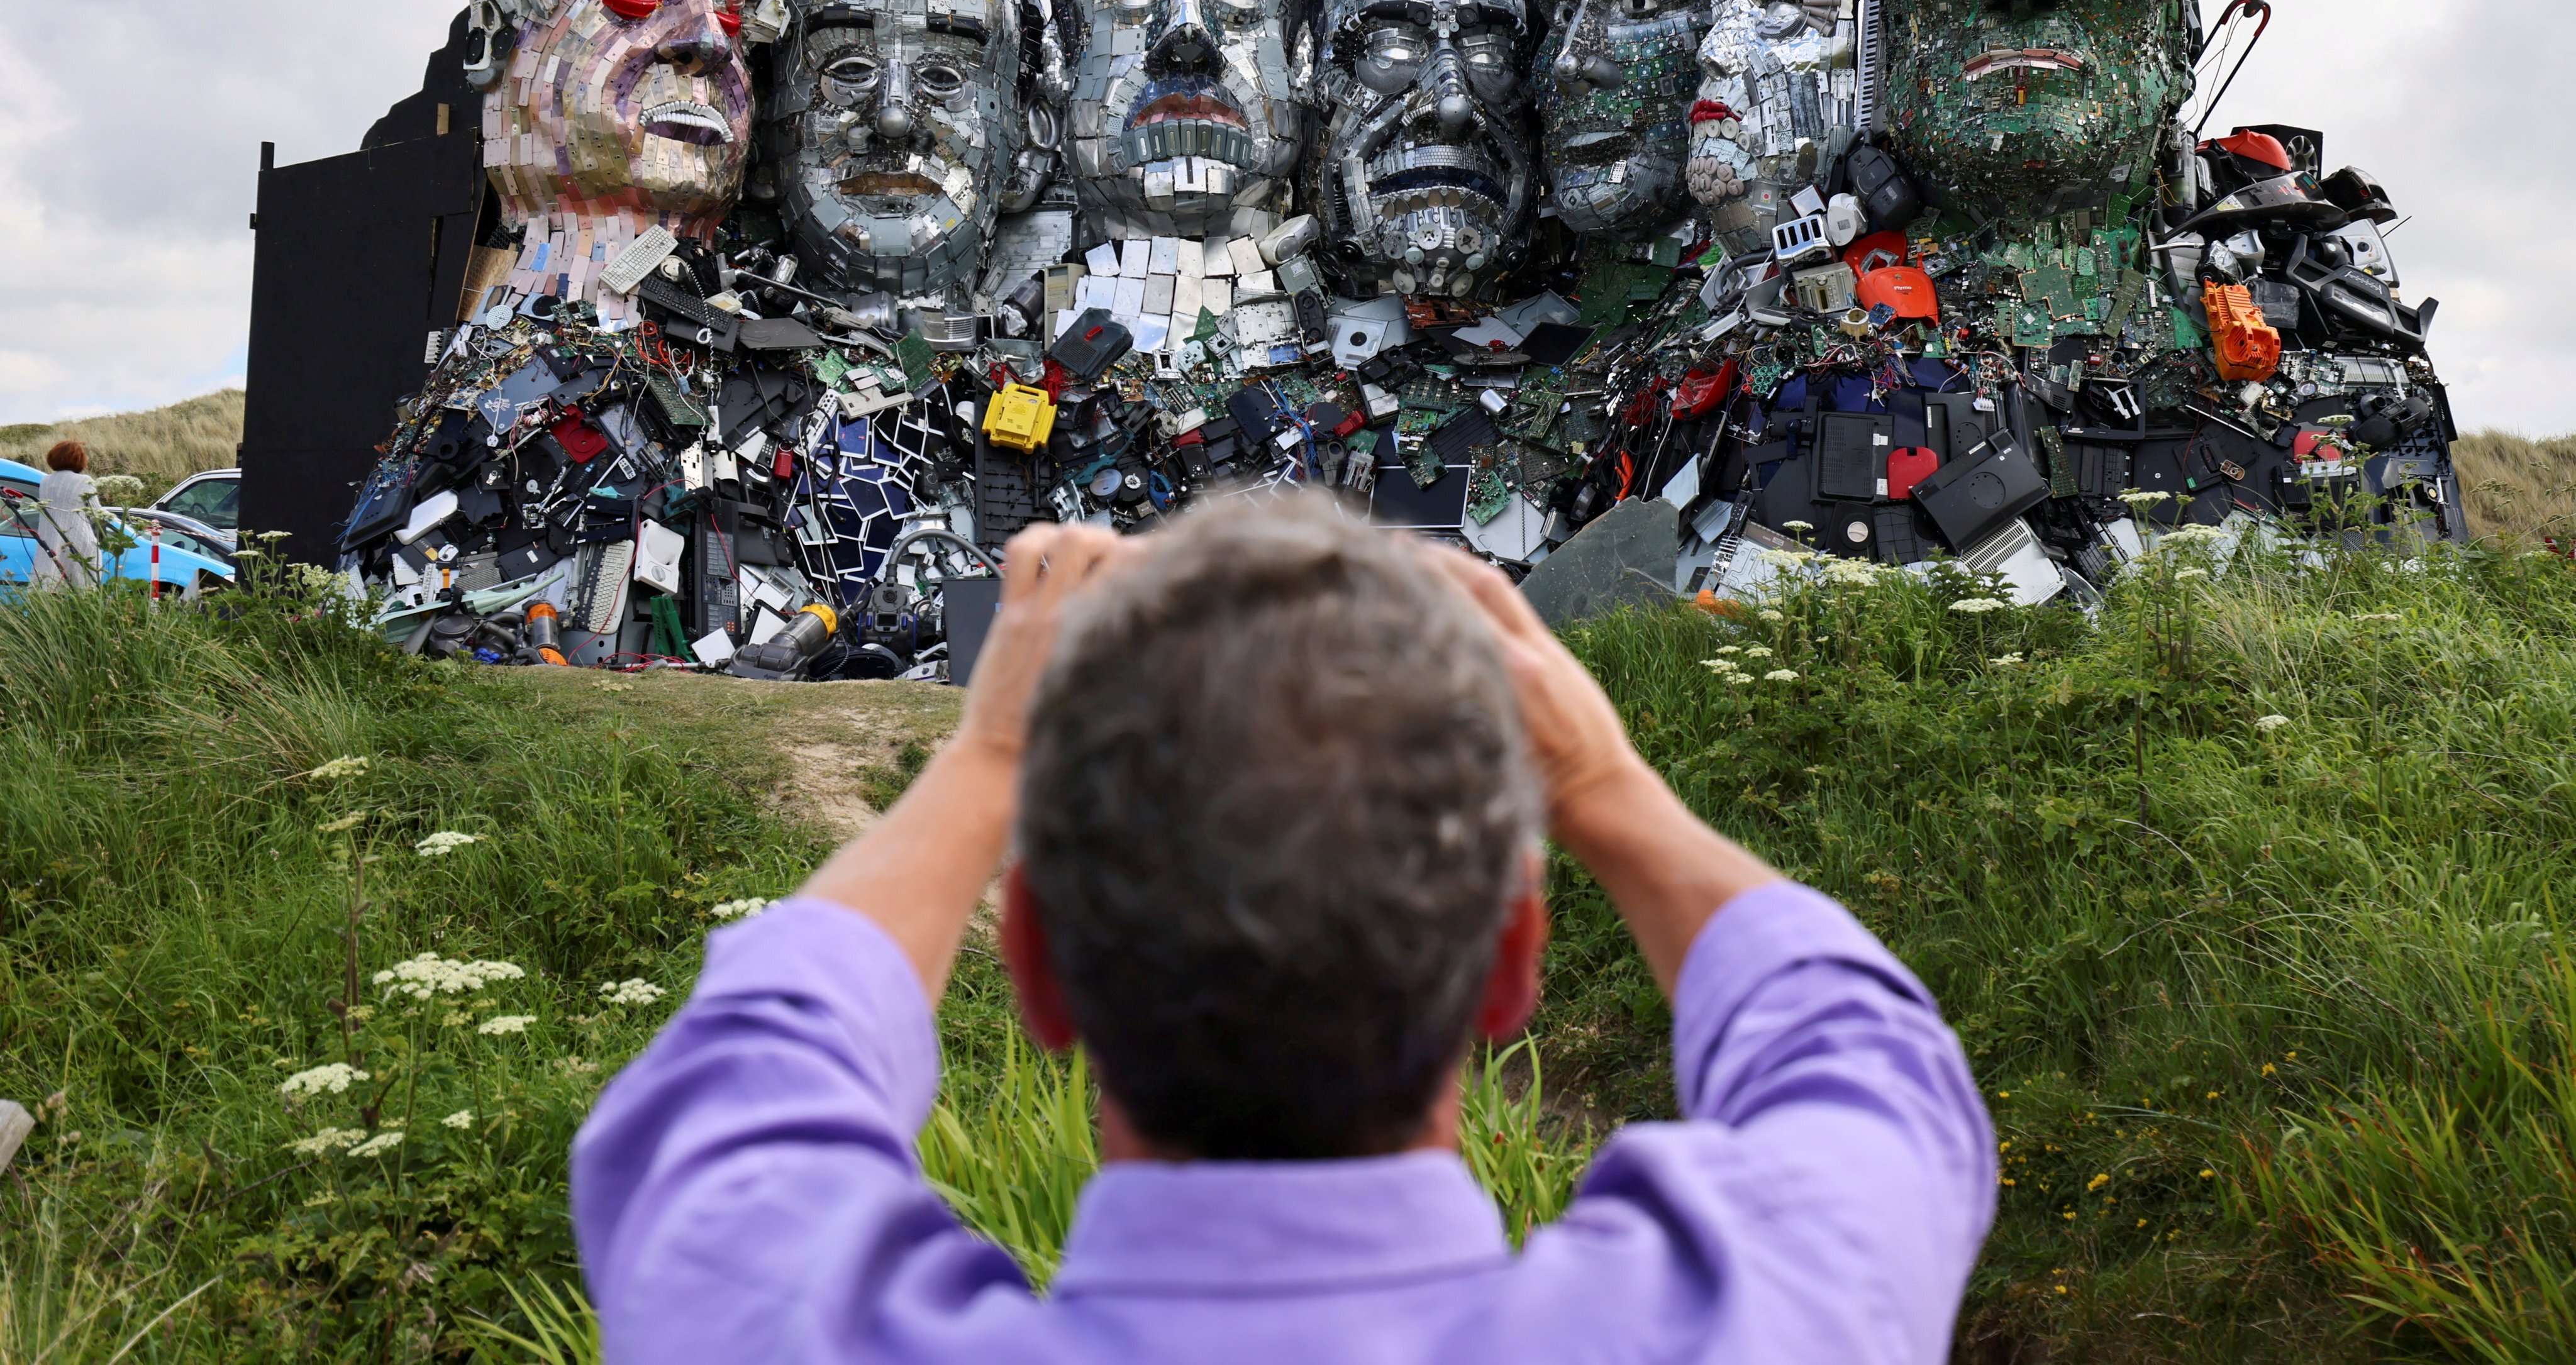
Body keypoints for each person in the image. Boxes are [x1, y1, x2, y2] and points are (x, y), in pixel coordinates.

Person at [572, 495, 1995, 1361]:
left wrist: (987, 755)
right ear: (1514, 963)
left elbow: (734, 1088)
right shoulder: (1770, 1315)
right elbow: (1866, 1062)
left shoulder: (780, 1321)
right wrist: (1610, 789)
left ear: (1039, 971)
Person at [34, 439, 101, 589]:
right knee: (84, 586)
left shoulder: (45, 481)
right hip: (79, 541)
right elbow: (97, 514)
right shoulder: (84, 481)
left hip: (50, 540)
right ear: (79, 459)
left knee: (50, 584)